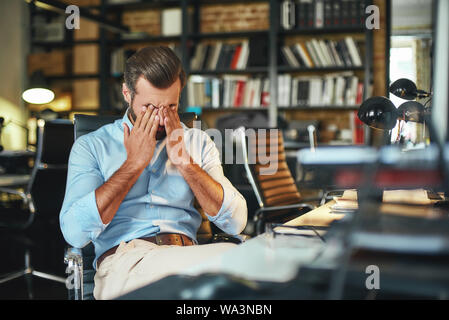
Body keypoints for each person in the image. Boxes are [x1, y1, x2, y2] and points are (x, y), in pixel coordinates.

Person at [59, 46, 247, 300]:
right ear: (127, 93)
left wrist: (186, 164)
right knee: (233, 265)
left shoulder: (198, 143)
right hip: (125, 263)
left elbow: (236, 222)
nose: (160, 119)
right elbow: (74, 233)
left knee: (243, 261)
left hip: (186, 254)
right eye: (149, 107)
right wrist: (132, 165)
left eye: (170, 106)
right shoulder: (91, 146)